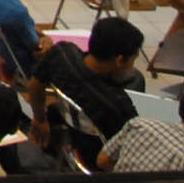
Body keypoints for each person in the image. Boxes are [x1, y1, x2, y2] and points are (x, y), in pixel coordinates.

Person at [27, 17, 145, 158]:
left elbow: (35, 84)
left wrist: (40, 119)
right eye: (133, 60)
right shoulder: (117, 106)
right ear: (120, 60)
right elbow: (131, 146)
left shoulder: (61, 54)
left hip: (69, 129)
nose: (132, 67)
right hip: (94, 155)